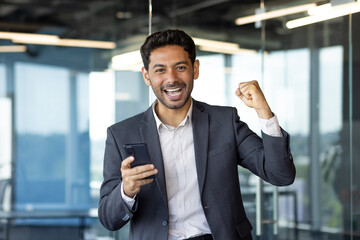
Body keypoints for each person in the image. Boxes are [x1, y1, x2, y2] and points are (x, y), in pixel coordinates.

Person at [98, 29, 296, 240]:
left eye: (180, 67)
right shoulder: (121, 135)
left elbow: (280, 175)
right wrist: (126, 191)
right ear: (147, 76)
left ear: (195, 69)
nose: (171, 79)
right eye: (160, 70)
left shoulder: (224, 121)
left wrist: (263, 111)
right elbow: (109, 220)